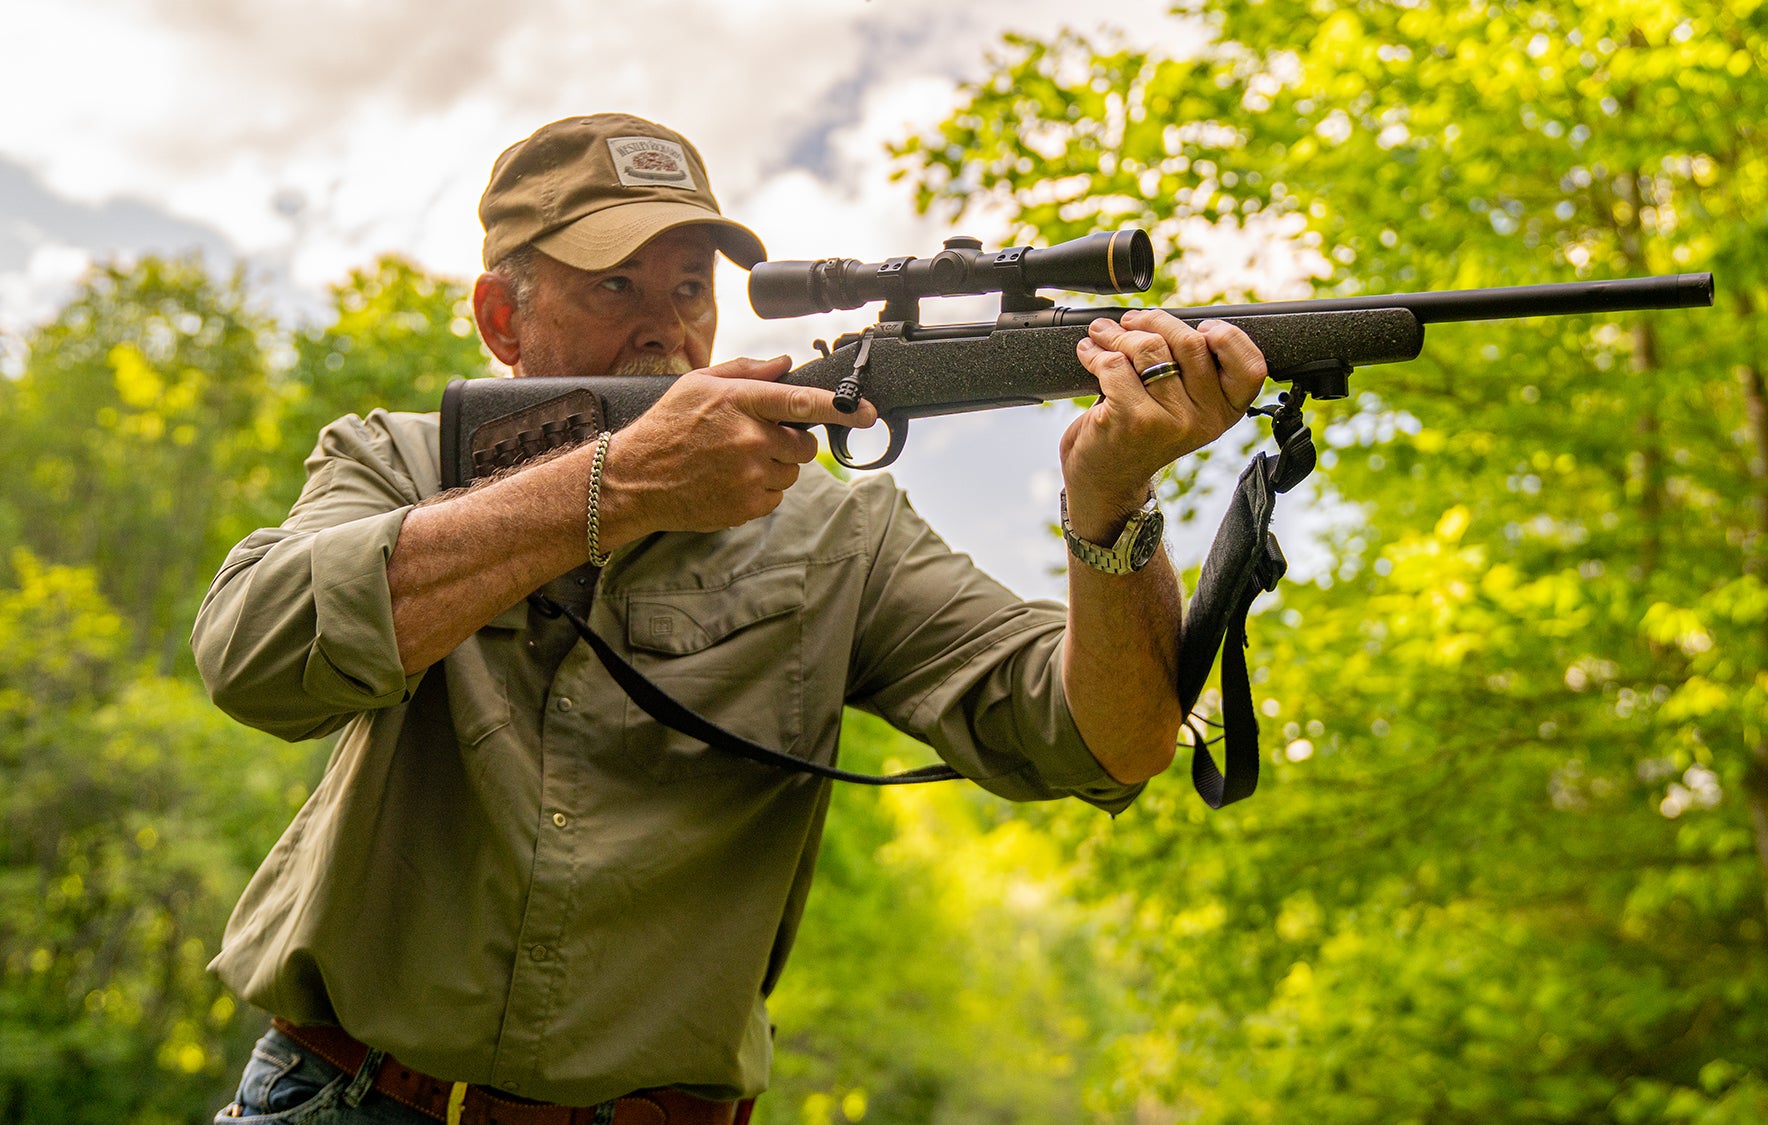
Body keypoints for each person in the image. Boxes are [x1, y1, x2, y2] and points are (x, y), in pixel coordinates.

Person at [194, 113, 1268, 1124]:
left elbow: (1109, 747)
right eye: (615, 283)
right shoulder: (397, 459)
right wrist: (614, 489)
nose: (665, 323)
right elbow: (257, 655)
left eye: (690, 286)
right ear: (499, 318)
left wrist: (1111, 501)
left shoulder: (841, 533)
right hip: (343, 1095)